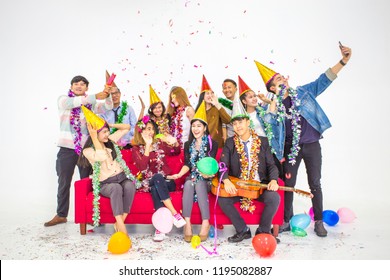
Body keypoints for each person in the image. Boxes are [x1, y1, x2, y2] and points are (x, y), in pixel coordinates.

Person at [254, 43, 352, 237]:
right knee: (288, 185)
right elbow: (268, 122)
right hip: (291, 149)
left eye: (283, 78)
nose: (284, 80)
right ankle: (285, 221)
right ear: (272, 88)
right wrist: (273, 103)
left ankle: (318, 221)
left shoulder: (303, 93)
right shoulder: (271, 105)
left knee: (315, 183)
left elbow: (322, 81)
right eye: (278, 80)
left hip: (312, 146)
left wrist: (343, 61)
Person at [44, 75, 113, 227]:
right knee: (64, 182)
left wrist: (108, 93)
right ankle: (61, 215)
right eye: (76, 84)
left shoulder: (91, 105)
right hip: (66, 150)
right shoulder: (63, 100)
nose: (79, 86)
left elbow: (107, 107)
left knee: (87, 183)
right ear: (71, 86)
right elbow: (72, 102)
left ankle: (88, 215)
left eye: (83, 84)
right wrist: (95, 96)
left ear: (86, 88)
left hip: (85, 151)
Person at [217, 91, 280, 243]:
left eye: (240, 122)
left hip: (258, 186)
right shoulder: (230, 143)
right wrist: (226, 180)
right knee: (223, 199)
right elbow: (222, 164)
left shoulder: (263, 141)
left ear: (247, 122)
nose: (238, 126)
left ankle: (263, 230)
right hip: (240, 186)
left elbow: (271, 165)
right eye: (235, 123)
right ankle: (242, 230)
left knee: (274, 197)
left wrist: (273, 180)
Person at [78, 106, 138, 235]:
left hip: (121, 177)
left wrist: (109, 124)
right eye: (104, 132)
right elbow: (102, 156)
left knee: (129, 186)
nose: (107, 134)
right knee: (116, 188)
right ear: (95, 134)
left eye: (107, 131)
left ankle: (121, 221)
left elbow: (127, 127)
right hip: (106, 183)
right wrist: (94, 137)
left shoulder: (110, 141)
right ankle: (121, 226)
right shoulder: (88, 151)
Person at [132, 115, 186, 242]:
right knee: (156, 179)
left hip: (167, 181)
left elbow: (176, 151)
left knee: (157, 186)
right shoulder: (136, 150)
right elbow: (142, 167)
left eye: (151, 129)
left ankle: (160, 229)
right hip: (148, 181)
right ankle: (174, 214)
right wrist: (147, 146)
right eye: (146, 129)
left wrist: (175, 142)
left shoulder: (160, 144)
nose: (150, 132)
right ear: (141, 132)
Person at [170, 101, 218, 242]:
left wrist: (208, 174)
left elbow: (212, 164)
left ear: (204, 128)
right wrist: (179, 174)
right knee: (191, 183)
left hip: (207, 178)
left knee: (198, 182)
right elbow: (187, 164)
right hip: (192, 177)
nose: (195, 129)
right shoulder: (187, 144)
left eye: (199, 126)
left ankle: (205, 223)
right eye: (193, 126)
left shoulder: (212, 144)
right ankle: (188, 224)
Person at [238, 75, 283, 177]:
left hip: (270, 148)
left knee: (277, 175)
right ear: (244, 101)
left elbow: (273, 114)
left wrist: (268, 101)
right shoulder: (242, 119)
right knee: (262, 177)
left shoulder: (262, 111)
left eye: (254, 96)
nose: (254, 98)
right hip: (255, 151)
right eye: (250, 97)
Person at [100, 71, 137, 149]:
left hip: (127, 144)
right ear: (107, 96)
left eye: (116, 93)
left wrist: (126, 137)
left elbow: (134, 127)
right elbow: (101, 129)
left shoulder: (129, 109)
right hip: (109, 145)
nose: (114, 96)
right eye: (111, 94)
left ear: (120, 94)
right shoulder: (102, 110)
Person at [194, 75, 231, 148]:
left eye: (212, 93)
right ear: (202, 96)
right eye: (207, 93)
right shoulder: (198, 111)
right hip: (202, 146)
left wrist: (217, 105)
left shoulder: (217, 109)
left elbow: (228, 120)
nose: (210, 95)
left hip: (217, 146)